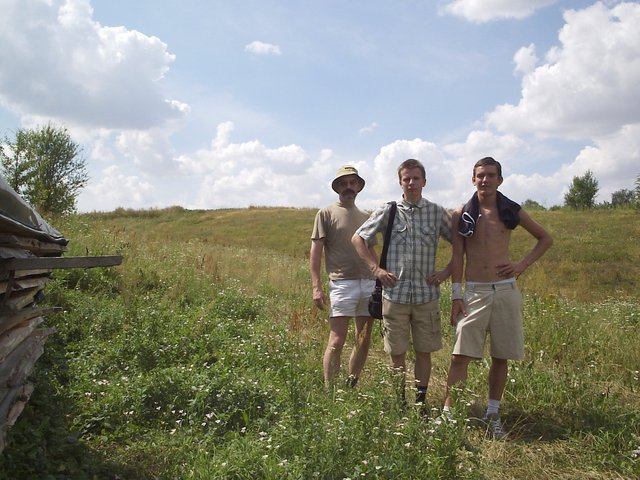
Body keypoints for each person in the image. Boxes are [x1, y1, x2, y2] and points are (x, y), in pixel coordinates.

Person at [443, 156, 553, 439]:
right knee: (459, 356)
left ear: (500, 180)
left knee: (501, 355)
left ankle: (493, 414)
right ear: (473, 179)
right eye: (480, 175)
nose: (485, 180)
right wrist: (456, 296)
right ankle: (448, 415)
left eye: (491, 175)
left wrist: (521, 265)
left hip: (505, 290)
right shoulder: (461, 214)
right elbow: (457, 256)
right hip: (475, 291)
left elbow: (545, 238)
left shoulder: (511, 211)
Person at [352, 158, 452, 409]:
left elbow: (461, 244)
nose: (411, 183)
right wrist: (376, 270)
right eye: (406, 179)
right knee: (396, 353)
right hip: (394, 295)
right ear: (400, 182)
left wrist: (446, 271)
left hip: (425, 296)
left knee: (424, 351)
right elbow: (359, 238)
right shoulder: (389, 209)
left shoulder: (436, 212)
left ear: (424, 182)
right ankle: (400, 403)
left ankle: (420, 403)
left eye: (416, 178)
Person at [311, 165, 378, 389]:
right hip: (342, 283)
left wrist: (379, 279)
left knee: (363, 339)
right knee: (337, 340)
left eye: (352, 183)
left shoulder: (367, 217)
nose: (348, 187)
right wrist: (316, 287)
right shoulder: (326, 213)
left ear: (358, 186)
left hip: (368, 283)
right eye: (343, 183)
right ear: (337, 187)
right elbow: (316, 250)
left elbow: (372, 250)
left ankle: (351, 385)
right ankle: (330, 390)